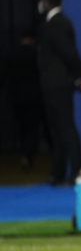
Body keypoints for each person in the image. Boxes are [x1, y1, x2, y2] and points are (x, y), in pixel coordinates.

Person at [38, 0, 81, 185]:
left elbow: (70, 54)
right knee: (57, 129)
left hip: (59, 84)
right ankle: (57, 173)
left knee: (65, 127)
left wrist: (78, 78)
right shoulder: (54, 23)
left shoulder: (58, 23)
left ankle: (77, 171)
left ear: (47, 2)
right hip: (53, 84)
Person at [4, 30, 44, 172]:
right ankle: (28, 156)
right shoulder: (37, 54)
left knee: (21, 128)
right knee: (32, 128)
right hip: (34, 97)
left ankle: (23, 154)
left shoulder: (12, 54)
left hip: (16, 97)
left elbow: (4, 75)